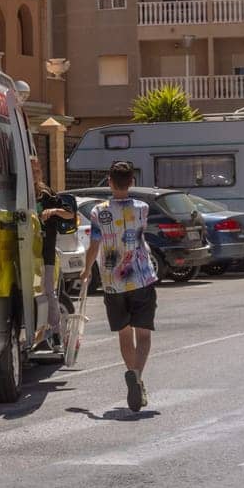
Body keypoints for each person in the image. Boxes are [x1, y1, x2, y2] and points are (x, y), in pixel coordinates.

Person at [80, 160, 158, 412]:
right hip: (141, 277)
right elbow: (139, 233)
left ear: (109, 182)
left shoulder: (97, 211)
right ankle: (136, 376)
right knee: (143, 334)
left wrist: (85, 270)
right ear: (132, 182)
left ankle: (132, 375)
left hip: (112, 282)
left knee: (124, 334)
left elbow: (94, 244)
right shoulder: (142, 208)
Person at [32, 155, 77, 346]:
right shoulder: (16, 192)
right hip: (25, 252)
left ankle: (56, 334)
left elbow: (70, 213)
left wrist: (54, 211)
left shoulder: (47, 195)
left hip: (45, 252)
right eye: (31, 170)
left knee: (49, 291)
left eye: (37, 170)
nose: (34, 174)